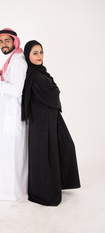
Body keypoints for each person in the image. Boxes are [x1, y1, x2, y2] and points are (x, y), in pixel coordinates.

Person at [22, 40, 81, 206]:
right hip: (42, 120)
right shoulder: (34, 75)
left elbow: (52, 92)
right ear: (27, 55)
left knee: (64, 147)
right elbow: (53, 93)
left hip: (50, 116)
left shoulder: (40, 72)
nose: (39, 56)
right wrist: (55, 89)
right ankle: (43, 194)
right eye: (35, 53)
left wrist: (54, 89)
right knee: (44, 154)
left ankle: (58, 183)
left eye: (41, 52)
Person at [0, 28, 28, 201]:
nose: (4, 44)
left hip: (14, 117)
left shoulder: (18, 61)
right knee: (8, 153)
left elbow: (16, 90)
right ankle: (9, 191)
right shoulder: (11, 60)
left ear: (15, 41)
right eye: (1, 41)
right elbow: (9, 91)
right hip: (8, 114)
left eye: (7, 40)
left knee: (14, 154)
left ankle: (14, 192)